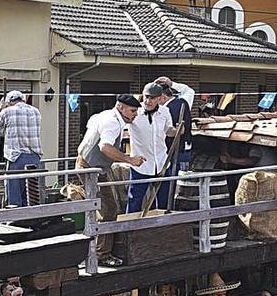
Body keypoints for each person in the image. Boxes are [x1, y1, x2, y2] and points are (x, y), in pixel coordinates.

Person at [76, 94, 144, 263]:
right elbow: (105, 146)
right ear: (121, 108)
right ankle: (101, 255)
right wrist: (129, 159)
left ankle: (97, 252)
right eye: (133, 110)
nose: (135, 114)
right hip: (91, 169)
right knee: (108, 209)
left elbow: (90, 125)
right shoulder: (113, 122)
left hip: (92, 166)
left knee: (104, 208)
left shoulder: (105, 115)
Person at [126, 83, 177, 213]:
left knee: (163, 201)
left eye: (152, 98)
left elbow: (168, 131)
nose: (148, 101)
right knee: (134, 201)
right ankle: (130, 230)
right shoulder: (133, 112)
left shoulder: (165, 111)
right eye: (146, 97)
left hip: (162, 162)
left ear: (159, 98)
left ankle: (159, 229)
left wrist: (177, 131)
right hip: (141, 164)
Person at [0, 90, 43, 207]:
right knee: (31, 195)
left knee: (14, 195)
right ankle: (30, 220)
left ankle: (14, 221)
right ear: (22, 99)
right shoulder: (36, 111)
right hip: (34, 157)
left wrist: (0, 108)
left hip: (16, 157)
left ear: (9, 102)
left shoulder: (8, 111)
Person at [154, 76, 194, 174]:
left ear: (163, 97)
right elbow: (189, 91)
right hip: (184, 147)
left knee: (175, 176)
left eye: (155, 98)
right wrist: (172, 84)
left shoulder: (163, 111)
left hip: (172, 149)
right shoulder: (184, 101)